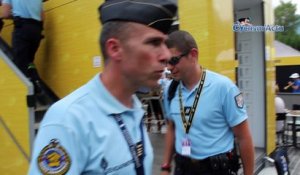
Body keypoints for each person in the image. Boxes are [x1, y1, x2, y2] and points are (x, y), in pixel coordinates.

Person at [27, 0, 177, 175]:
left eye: (165, 44)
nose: (166, 55)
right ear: (115, 49)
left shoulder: (133, 106)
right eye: (154, 42)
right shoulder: (68, 120)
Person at [160, 30, 254, 175]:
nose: (169, 67)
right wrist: (166, 166)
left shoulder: (224, 88)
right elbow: (171, 127)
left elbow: (244, 137)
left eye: (173, 60)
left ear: (193, 54)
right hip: (182, 167)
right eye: (166, 62)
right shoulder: (170, 91)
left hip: (215, 169)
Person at [1, 0, 44, 93]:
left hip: (22, 28)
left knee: (19, 64)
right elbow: (42, 16)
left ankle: (27, 93)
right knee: (28, 61)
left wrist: (17, 16)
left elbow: (5, 14)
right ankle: (37, 85)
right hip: (36, 30)